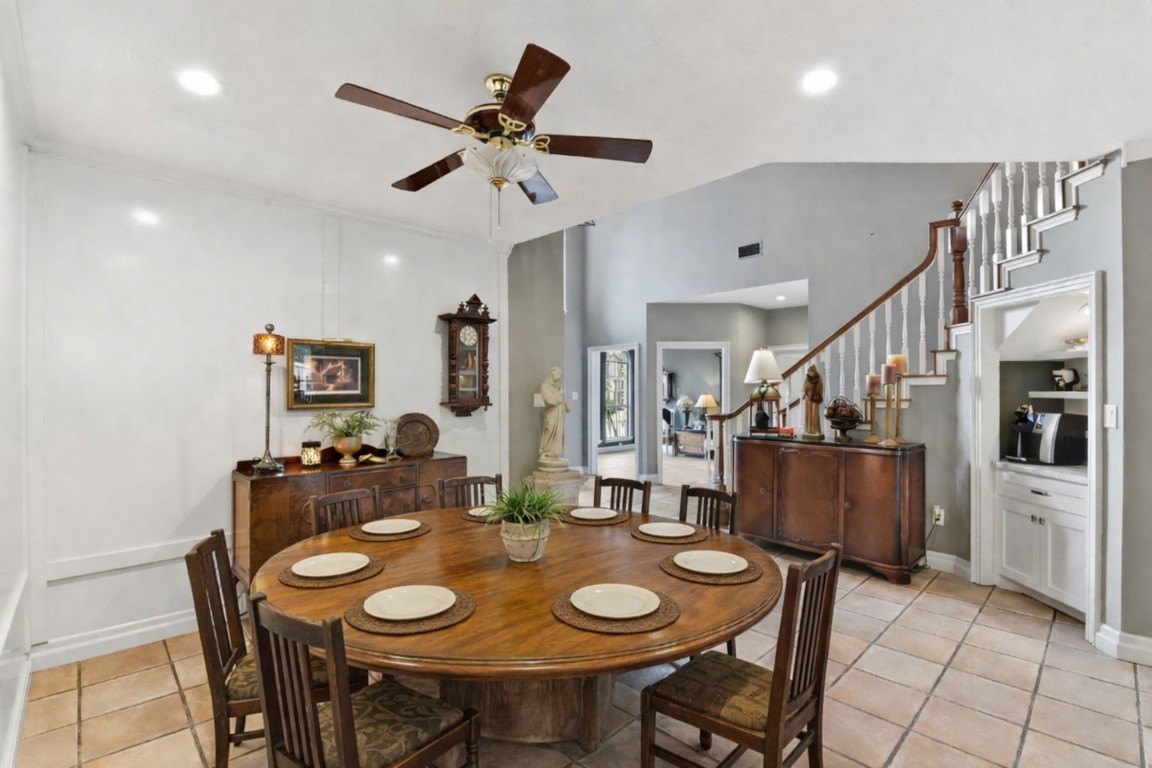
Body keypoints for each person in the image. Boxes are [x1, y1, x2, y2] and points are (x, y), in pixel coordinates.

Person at [539, 366, 570, 460]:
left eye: (560, 374)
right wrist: (560, 393)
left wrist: (565, 405)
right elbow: (550, 400)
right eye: (557, 374)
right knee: (550, 431)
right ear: (552, 374)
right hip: (552, 412)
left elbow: (560, 400)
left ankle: (555, 454)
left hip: (560, 413)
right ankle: (545, 451)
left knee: (558, 433)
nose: (559, 376)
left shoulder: (558, 387)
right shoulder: (544, 386)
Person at [803, 364, 824, 437]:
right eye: (809, 372)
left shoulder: (818, 378)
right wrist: (807, 389)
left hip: (815, 398)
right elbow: (805, 387)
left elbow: (820, 388)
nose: (810, 373)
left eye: (811, 372)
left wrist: (813, 388)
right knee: (808, 414)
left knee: (814, 414)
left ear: (814, 372)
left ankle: (815, 430)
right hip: (808, 398)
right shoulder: (807, 378)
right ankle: (809, 430)